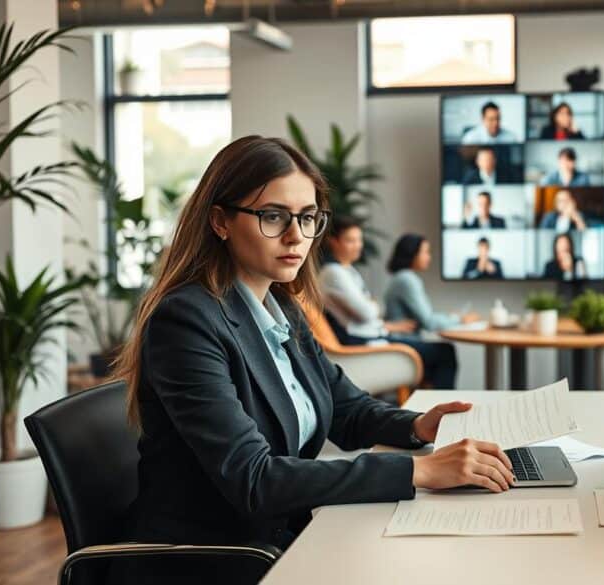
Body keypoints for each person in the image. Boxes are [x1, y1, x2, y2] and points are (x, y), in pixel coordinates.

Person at [110, 137, 514, 584]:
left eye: (307, 218)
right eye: (273, 216)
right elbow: (255, 480)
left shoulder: (282, 308)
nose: (296, 236)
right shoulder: (186, 321)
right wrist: (420, 470)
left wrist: (418, 427)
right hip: (212, 559)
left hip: (282, 536)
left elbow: (347, 408)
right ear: (220, 221)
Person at [320, 217, 460, 389]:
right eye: (351, 240)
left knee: (439, 355)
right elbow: (367, 313)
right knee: (445, 353)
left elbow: (368, 312)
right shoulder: (334, 273)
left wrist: (378, 315)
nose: (358, 245)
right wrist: (373, 307)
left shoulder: (347, 271)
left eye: (359, 240)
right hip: (363, 342)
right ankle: (438, 407)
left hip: (371, 336)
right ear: (333, 242)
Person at [384, 234, 481, 332]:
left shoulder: (401, 276)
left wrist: (452, 317)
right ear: (412, 253)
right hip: (404, 342)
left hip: (402, 340)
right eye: (426, 252)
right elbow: (429, 322)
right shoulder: (407, 279)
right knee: (446, 348)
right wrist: (460, 319)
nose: (429, 258)